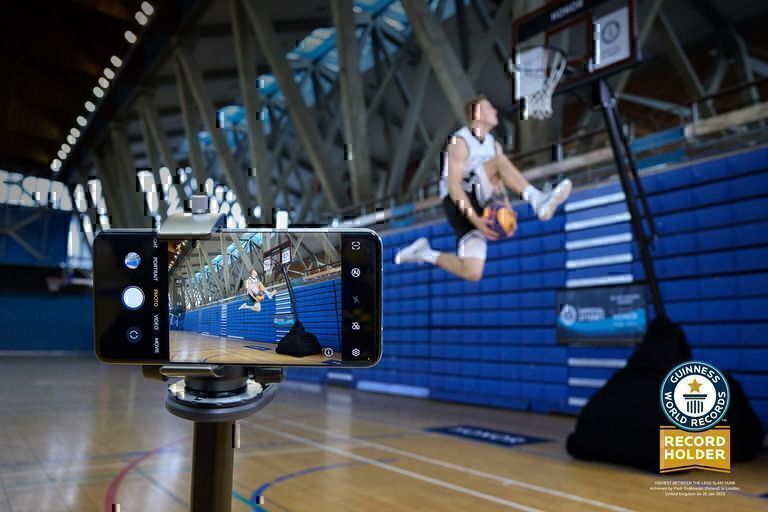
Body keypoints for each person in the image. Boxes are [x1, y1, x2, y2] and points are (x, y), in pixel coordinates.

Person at [394, 95, 572, 282]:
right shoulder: (460, 142)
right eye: (489, 107)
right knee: (499, 163)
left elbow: (498, 183)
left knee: (472, 272)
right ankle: (537, 199)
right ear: (478, 114)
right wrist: (476, 220)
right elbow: (454, 187)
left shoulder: (494, 145)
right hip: (458, 202)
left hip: (480, 202)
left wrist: (508, 210)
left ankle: (424, 253)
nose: (495, 111)